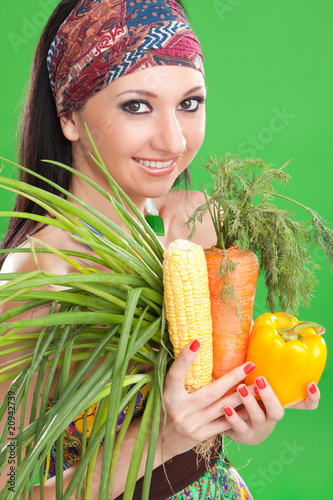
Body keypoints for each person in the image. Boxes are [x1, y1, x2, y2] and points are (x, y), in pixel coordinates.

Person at [0, 1, 321, 498]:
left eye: (190, 103)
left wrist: (242, 418)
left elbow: (215, 400)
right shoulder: (40, 271)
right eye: (137, 105)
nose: (173, 140)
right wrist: (164, 438)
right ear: (69, 117)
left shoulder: (198, 222)